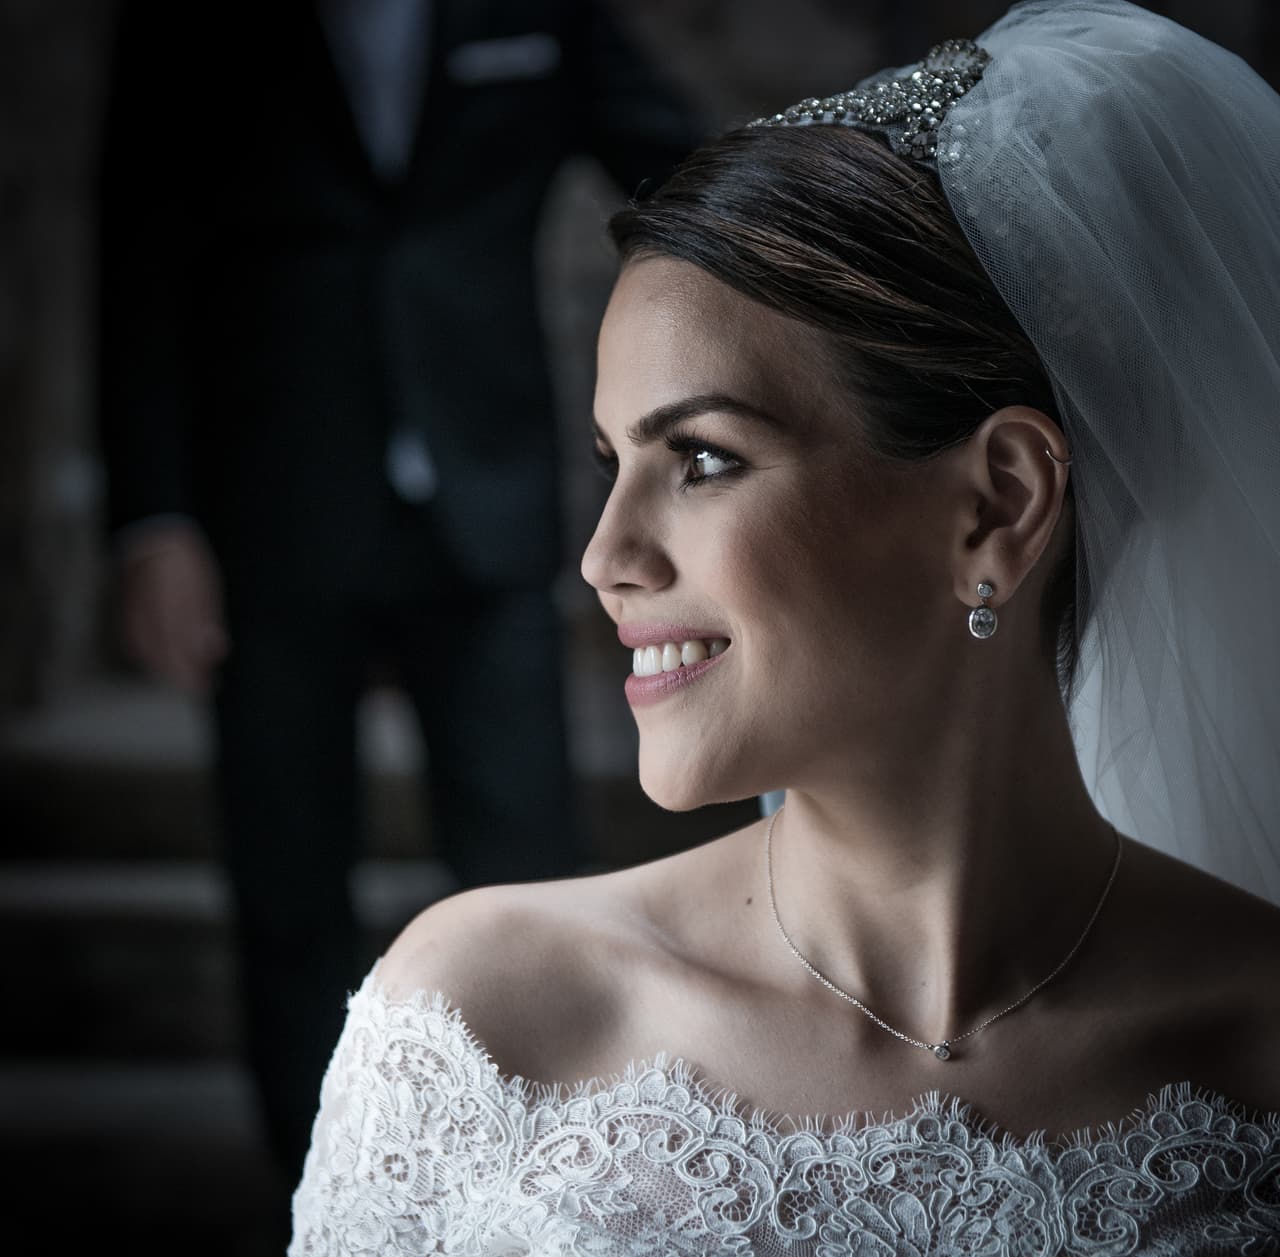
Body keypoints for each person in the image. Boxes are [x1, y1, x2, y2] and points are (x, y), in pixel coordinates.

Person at [289, 1, 1280, 1250]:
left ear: (997, 503)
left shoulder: (1256, 1054)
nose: (604, 558)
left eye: (700, 460)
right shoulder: (483, 1020)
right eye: (611, 462)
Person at [97, 0, 700, 1186]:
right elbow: (137, 252)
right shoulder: (182, 25)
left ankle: (549, 1194)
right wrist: (151, 519)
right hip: (269, 506)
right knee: (286, 892)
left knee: (534, 869)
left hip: (480, 503)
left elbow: (683, 171)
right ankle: (320, 1199)